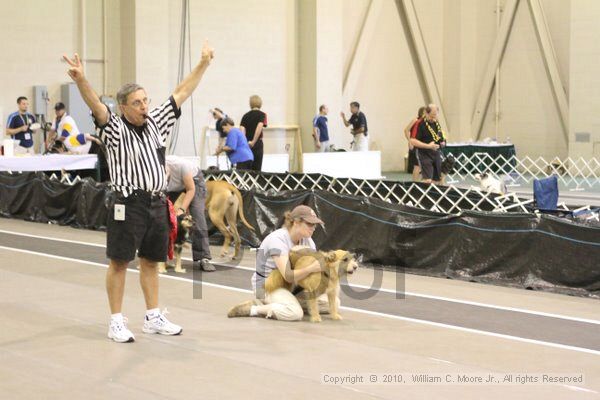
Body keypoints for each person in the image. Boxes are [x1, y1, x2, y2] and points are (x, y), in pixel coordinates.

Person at [62, 40, 214, 343]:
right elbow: (96, 106)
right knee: (119, 261)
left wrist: (203, 64)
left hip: (157, 202)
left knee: (150, 260)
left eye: (146, 100)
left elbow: (181, 92)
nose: (145, 106)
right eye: (137, 103)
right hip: (127, 203)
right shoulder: (115, 128)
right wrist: (81, 80)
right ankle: (116, 321)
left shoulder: (157, 120)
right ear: (123, 107)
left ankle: (153, 316)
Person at [227, 205, 338, 321]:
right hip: (267, 285)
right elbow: (288, 276)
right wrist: (311, 268)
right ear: (296, 222)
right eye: (309, 224)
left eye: (314, 224)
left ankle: (285, 303)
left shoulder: (308, 241)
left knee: (334, 303)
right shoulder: (278, 240)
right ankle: (255, 308)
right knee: (295, 313)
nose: (313, 228)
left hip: (293, 286)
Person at [166, 156, 215, 272]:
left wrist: (182, 209)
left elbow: (190, 190)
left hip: (194, 182)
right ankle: (160, 255)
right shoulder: (153, 173)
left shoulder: (181, 166)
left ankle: (204, 257)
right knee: (160, 214)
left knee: (197, 217)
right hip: (172, 188)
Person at [410, 104, 446, 184]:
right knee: (427, 180)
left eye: (435, 116)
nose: (433, 119)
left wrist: (442, 142)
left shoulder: (436, 123)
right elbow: (413, 141)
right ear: (426, 113)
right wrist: (428, 146)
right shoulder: (419, 123)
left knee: (439, 178)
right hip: (423, 154)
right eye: (431, 116)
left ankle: (436, 195)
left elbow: (439, 136)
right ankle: (419, 192)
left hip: (436, 152)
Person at [240, 95, 267, 171]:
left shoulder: (245, 116)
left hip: (247, 144)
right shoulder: (263, 115)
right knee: (256, 169)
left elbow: (242, 130)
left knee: (247, 168)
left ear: (250, 104)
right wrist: (253, 142)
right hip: (257, 144)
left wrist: (245, 143)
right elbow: (259, 126)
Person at [404, 106, 426, 181]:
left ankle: (421, 182)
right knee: (417, 166)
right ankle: (415, 183)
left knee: (423, 166)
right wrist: (410, 141)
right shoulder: (415, 120)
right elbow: (406, 130)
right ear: (422, 113)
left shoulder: (426, 122)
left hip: (423, 145)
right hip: (415, 145)